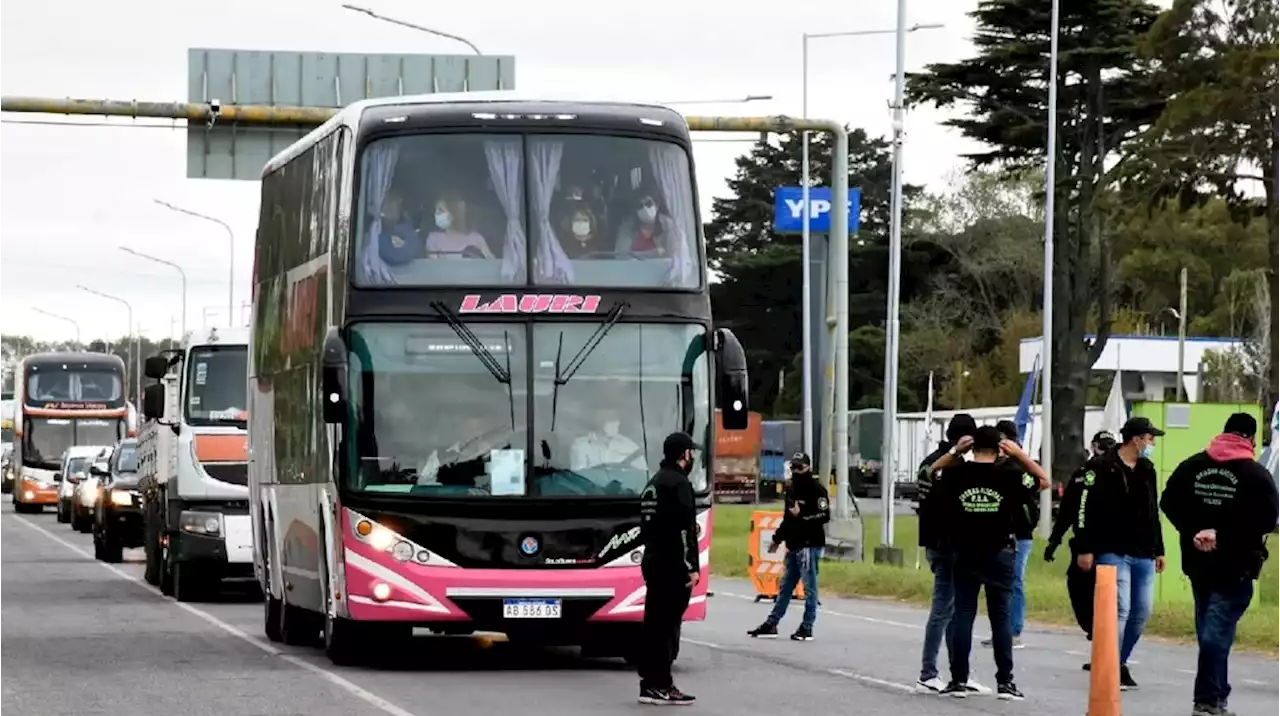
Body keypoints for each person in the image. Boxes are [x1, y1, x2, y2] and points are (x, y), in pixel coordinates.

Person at [1160, 414, 1278, 716]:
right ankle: (1208, 701)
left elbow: (1169, 501)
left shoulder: (1193, 466)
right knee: (1215, 635)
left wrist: (1195, 529)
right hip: (1236, 567)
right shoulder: (1256, 475)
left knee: (1212, 634)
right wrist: (1220, 534)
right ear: (1250, 439)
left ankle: (1216, 696)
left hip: (1199, 564)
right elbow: (1266, 519)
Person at [932, 426, 1048, 700]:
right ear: (1000, 450)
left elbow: (930, 473)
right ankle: (1005, 682)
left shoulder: (956, 474)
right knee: (1000, 618)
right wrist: (1020, 455)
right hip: (1000, 551)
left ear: (971, 448)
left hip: (964, 551)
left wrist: (953, 453)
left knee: (963, 615)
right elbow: (1043, 480)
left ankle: (958, 680)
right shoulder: (1010, 475)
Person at [1074, 416, 1167, 689]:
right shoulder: (1100, 467)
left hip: (1143, 551)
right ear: (1136, 439)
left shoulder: (1147, 469)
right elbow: (1084, 510)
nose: (1151, 444)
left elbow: (1153, 511)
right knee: (1121, 608)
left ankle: (1118, 660)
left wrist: (1158, 548)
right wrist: (1084, 547)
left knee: (1142, 610)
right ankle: (1109, 665)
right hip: (1112, 549)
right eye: (1149, 438)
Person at [914, 413, 992, 696]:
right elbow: (927, 482)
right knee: (943, 608)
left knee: (955, 611)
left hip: (954, 545)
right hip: (942, 544)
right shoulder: (940, 464)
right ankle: (928, 672)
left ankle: (958, 673)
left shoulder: (958, 465)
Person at [636, 432, 701, 705]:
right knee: (667, 627)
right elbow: (685, 529)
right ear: (684, 455)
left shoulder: (654, 483)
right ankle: (662, 684)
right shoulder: (679, 483)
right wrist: (691, 566)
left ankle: (649, 683)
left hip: (653, 560)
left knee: (654, 624)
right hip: (672, 564)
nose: (693, 457)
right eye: (691, 453)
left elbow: (649, 525)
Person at [1043, 432, 1118, 643]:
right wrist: (1054, 541)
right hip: (1087, 543)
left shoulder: (1117, 473)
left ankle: (1104, 642)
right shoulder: (1084, 473)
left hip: (1108, 545)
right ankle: (1098, 637)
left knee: (1098, 596)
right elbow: (1069, 510)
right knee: (1082, 591)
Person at [747, 452, 829, 641]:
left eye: (799, 468)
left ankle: (807, 626)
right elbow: (788, 519)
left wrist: (802, 516)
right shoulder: (791, 490)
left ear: (808, 468)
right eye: (793, 468)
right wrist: (777, 539)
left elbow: (824, 516)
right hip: (794, 544)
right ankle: (772, 623)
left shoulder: (817, 490)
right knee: (785, 586)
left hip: (810, 544)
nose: (795, 471)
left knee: (810, 587)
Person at [981, 419, 1036, 650]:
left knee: (1015, 581)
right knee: (998, 583)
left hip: (1020, 533)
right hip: (998, 532)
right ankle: (1000, 630)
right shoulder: (995, 466)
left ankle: (1014, 629)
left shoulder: (1021, 466)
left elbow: (1038, 483)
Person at [570, 407, 646, 471]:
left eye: (616, 419)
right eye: (610, 419)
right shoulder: (581, 445)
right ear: (598, 421)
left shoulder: (630, 446)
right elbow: (578, 476)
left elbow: (643, 474)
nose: (616, 423)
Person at [424, 195, 495, 259]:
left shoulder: (476, 238)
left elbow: (490, 262)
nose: (436, 213)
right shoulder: (434, 238)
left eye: (441, 210)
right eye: (435, 210)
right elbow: (435, 268)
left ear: (453, 211)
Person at [614, 192, 674, 257]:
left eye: (648, 204)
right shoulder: (627, 229)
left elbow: (675, 257)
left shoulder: (668, 227)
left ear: (657, 205)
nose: (645, 208)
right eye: (640, 205)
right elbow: (621, 257)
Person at [375, 191, 424, 266]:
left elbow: (412, 251)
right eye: (388, 203)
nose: (391, 207)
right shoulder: (374, 231)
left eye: (395, 205)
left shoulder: (409, 233)